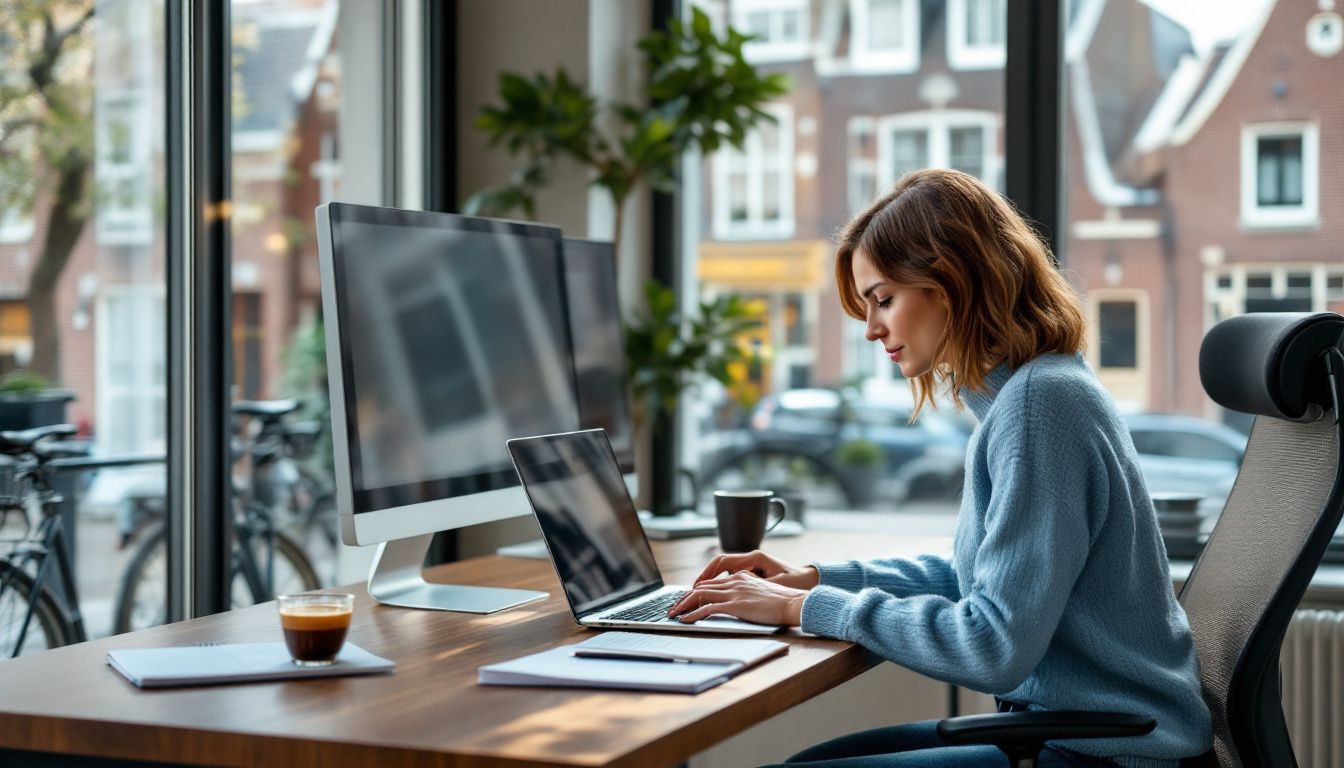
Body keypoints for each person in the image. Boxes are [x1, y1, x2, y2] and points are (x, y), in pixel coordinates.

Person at [668, 169, 1213, 768]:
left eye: (883, 300)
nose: (871, 329)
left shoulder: (1038, 407)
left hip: (1108, 754)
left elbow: (992, 645)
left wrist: (802, 609)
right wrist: (815, 580)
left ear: (950, 284)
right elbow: (977, 579)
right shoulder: (1034, 392)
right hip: (1079, 731)